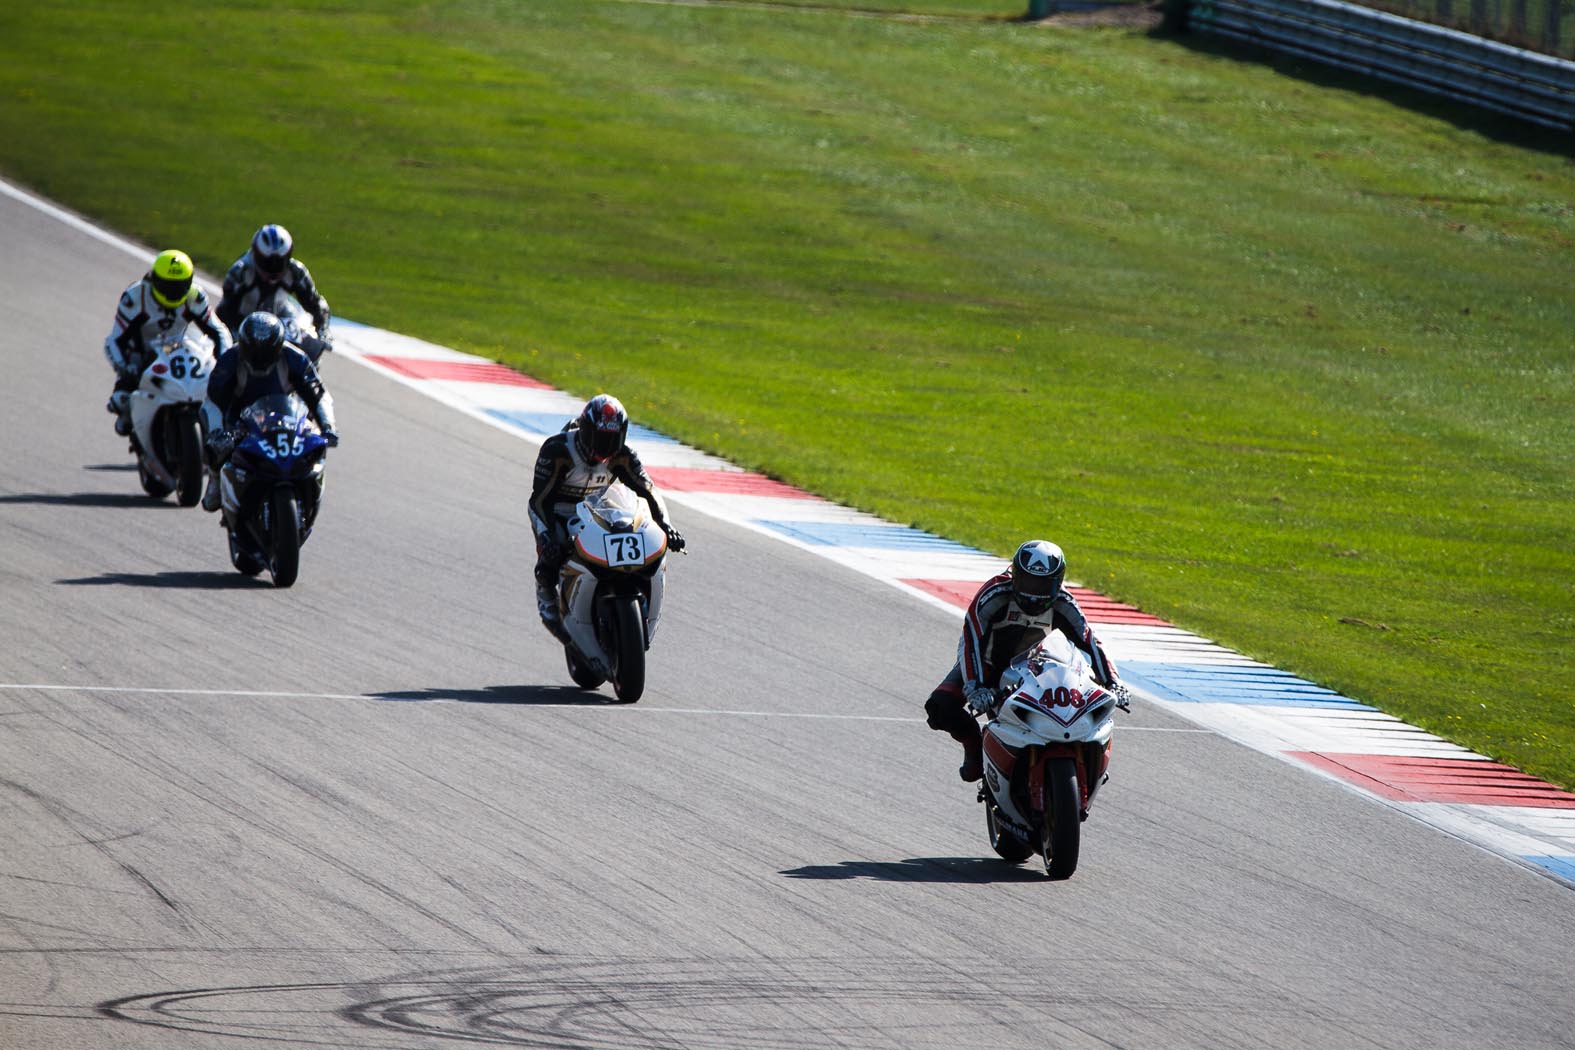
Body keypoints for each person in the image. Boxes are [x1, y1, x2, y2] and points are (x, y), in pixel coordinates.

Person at [925, 540, 1120, 782]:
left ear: (1057, 582)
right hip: (987, 664)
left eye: (1042, 584)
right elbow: (971, 640)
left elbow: (1089, 640)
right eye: (1028, 581)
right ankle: (975, 748)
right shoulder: (994, 594)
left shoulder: (1064, 602)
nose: (1034, 592)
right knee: (940, 707)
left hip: (1038, 667)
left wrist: (1114, 682)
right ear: (1015, 574)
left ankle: (1090, 767)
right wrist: (975, 686)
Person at [529, 394, 685, 638]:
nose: (606, 446)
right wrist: (547, 537)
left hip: (600, 506)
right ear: (586, 431)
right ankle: (547, 602)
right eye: (600, 438)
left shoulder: (623, 455)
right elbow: (539, 501)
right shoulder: (558, 450)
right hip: (557, 510)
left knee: (637, 527)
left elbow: (648, 490)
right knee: (552, 554)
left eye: (612, 438)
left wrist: (666, 525)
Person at [200, 311, 338, 512]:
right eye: (253, 351)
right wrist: (217, 432)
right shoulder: (230, 360)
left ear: (278, 346)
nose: (259, 357)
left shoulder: (295, 358)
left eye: (265, 351)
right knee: (217, 448)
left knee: (314, 449)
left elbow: (318, 395)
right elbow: (213, 402)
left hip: (284, 416)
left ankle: (308, 491)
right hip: (239, 421)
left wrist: (327, 426)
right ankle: (215, 479)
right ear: (244, 344)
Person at [103, 249, 232, 436]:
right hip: (142, 353)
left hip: (181, 347)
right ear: (154, 279)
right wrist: (125, 367)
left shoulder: (194, 296)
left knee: (220, 391)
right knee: (120, 401)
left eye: (179, 286)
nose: (173, 292)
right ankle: (133, 417)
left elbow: (219, 331)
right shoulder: (135, 297)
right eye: (167, 286)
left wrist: (223, 361)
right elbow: (114, 340)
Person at [216, 224, 332, 359]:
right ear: (256, 254)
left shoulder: (296, 272)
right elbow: (225, 311)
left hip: (281, 316)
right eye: (266, 262)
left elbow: (317, 305)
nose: (272, 269)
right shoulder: (240, 273)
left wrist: (322, 332)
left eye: (279, 263)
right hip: (244, 321)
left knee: (308, 343)